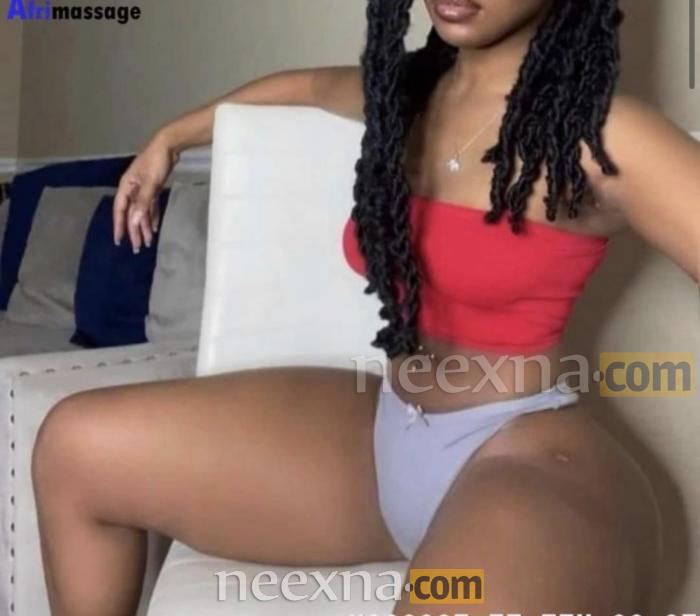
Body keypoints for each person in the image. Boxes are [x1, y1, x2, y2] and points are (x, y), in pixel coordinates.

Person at [32, 1, 700, 614]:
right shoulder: (405, 96)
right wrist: (170, 139)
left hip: (524, 463)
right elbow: (302, 87)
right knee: (75, 447)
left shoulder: (605, 136)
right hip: (385, 440)